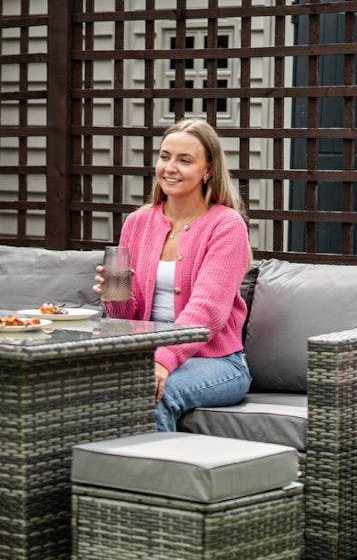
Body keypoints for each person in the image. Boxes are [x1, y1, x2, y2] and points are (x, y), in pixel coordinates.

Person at [96, 117, 252, 432]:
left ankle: (152, 480)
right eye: (165, 157)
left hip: (217, 362)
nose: (170, 167)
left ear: (208, 170)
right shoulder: (137, 223)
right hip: (146, 354)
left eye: (184, 160)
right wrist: (115, 296)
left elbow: (207, 311)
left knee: (151, 393)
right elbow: (129, 315)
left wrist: (163, 359)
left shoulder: (226, 225)